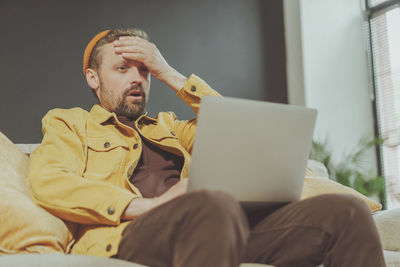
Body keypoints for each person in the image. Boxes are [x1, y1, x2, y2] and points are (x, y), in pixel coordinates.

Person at [29, 28, 386, 267]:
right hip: (131, 236)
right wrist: (149, 205)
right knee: (210, 203)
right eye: (122, 68)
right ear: (93, 78)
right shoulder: (69, 122)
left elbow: (239, 130)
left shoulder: (170, 127)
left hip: (218, 227)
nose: (136, 78)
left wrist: (169, 72)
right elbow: (50, 182)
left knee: (346, 211)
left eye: (145, 70)